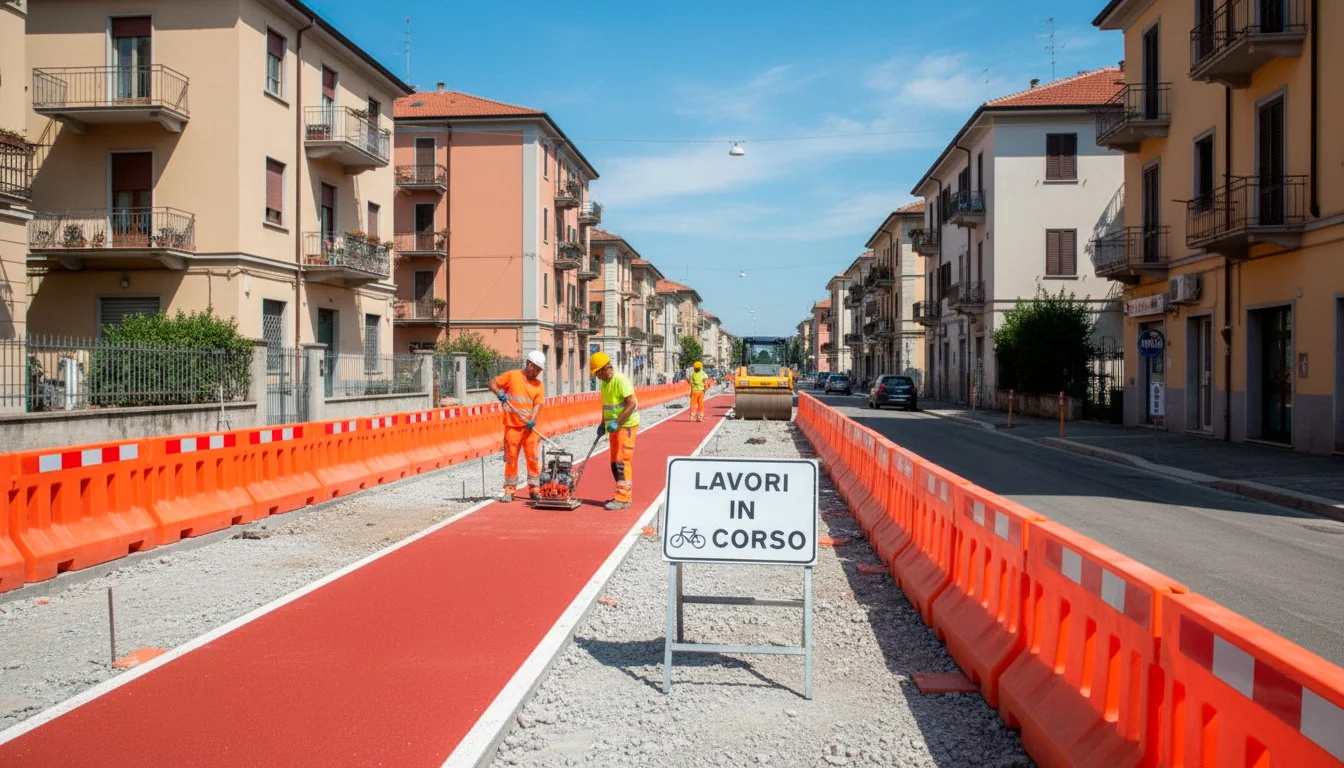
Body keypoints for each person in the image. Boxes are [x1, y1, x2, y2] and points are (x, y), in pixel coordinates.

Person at [488, 350, 546, 502]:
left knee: (533, 459)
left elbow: (538, 405)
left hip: (529, 429)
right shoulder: (513, 376)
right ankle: (509, 490)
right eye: (536, 369)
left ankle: (534, 489)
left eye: (540, 370)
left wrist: (532, 420)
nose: (538, 373)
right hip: (512, 427)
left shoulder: (539, 385)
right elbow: (492, 383)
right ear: (529, 364)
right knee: (511, 459)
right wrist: (498, 393)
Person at [590, 351, 638, 510]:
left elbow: (631, 404)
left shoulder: (620, 380)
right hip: (614, 427)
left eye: (597, 372)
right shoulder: (604, 383)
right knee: (614, 462)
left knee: (622, 461)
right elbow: (606, 406)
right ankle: (620, 494)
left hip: (626, 426)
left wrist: (617, 422)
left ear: (604, 368)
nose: (596, 376)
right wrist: (602, 424)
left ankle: (624, 498)